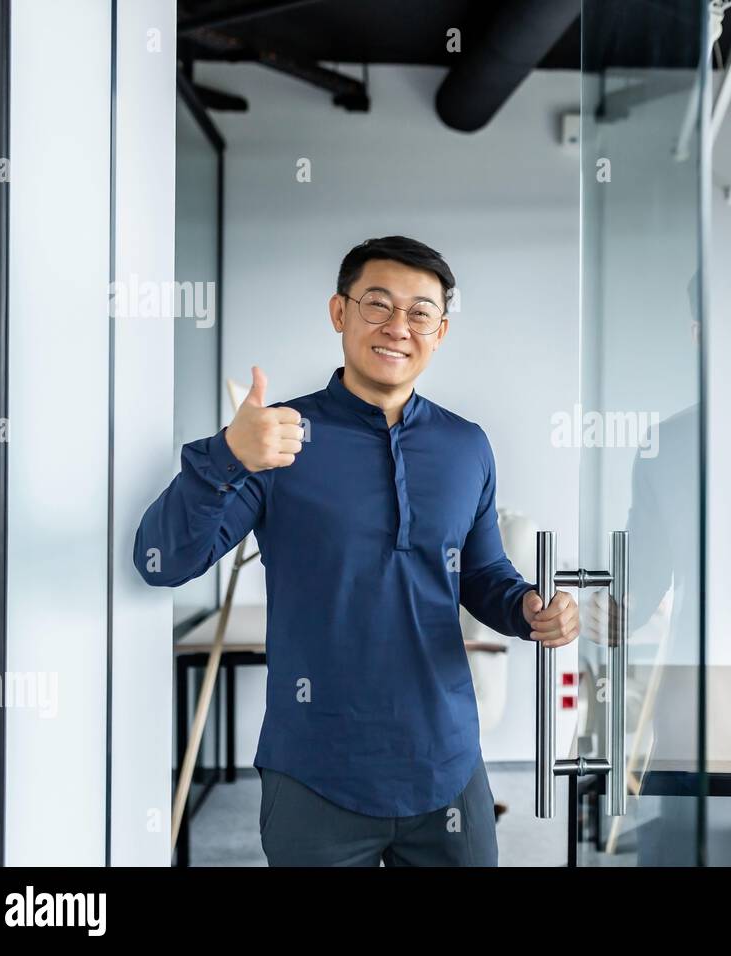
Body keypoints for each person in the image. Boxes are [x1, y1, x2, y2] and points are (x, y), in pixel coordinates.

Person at [134, 236, 579, 866]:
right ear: (340, 313)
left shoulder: (466, 446)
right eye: (378, 305)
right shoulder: (277, 438)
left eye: (420, 312)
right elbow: (162, 561)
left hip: (446, 766)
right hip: (314, 772)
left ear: (441, 330)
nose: (398, 327)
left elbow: (483, 575)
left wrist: (528, 608)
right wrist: (227, 456)